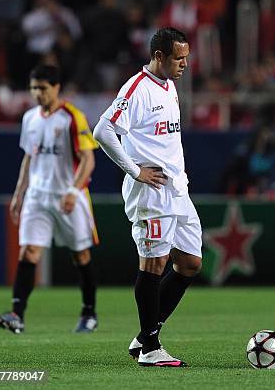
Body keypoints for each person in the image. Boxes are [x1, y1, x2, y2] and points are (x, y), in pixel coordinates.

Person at [93, 27, 201, 367]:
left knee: (190, 263)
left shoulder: (168, 85)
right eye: (178, 58)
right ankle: (151, 347)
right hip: (151, 192)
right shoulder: (137, 89)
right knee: (154, 263)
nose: (185, 64)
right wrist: (135, 170)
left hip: (177, 190)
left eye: (186, 57)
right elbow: (103, 131)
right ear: (158, 57)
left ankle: (144, 336)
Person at [0, 64, 99, 334]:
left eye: (43, 88)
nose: (38, 93)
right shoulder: (30, 118)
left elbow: (88, 159)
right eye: (34, 88)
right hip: (37, 196)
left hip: (67, 196)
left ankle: (89, 312)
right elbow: (29, 157)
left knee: (81, 254)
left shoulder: (72, 117)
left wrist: (74, 191)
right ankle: (17, 314)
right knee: (29, 251)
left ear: (56, 88)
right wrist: (19, 193)